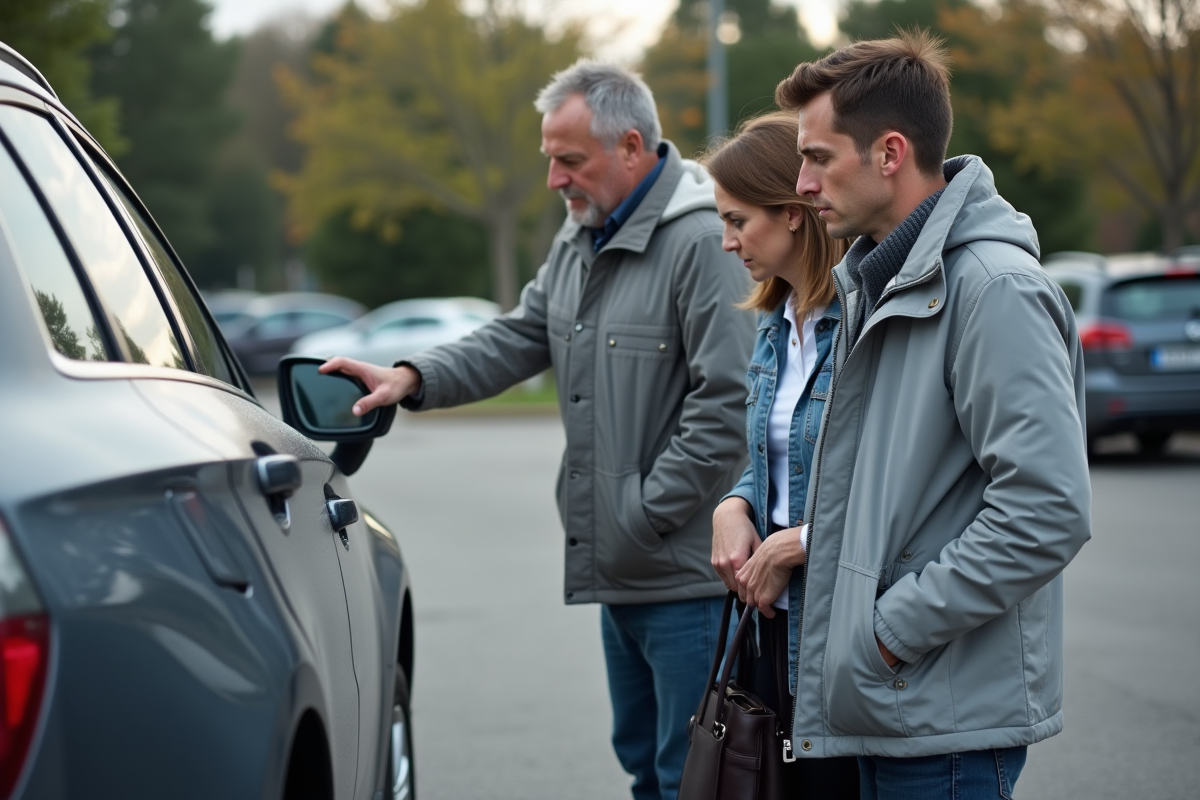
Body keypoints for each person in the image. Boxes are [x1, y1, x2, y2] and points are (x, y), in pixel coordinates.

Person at [320, 60, 754, 800]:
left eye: (569, 160)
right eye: (550, 158)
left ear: (630, 146)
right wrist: (411, 377)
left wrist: (644, 512)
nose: (555, 178)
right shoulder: (580, 235)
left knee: (695, 781)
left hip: (687, 582)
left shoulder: (703, 242)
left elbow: (728, 405)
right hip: (628, 572)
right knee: (647, 771)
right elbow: (523, 335)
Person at [754, 31, 1092, 799]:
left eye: (817, 157)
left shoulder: (992, 289)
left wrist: (887, 636)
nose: (802, 183)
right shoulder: (874, 281)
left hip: (940, 718)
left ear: (889, 153)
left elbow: (1047, 510)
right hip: (888, 703)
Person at [702, 111, 860, 798]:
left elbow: (891, 479)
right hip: (771, 626)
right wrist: (736, 503)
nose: (728, 242)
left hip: (844, 630)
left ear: (793, 212)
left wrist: (802, 542)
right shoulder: (775, 324)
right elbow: (777, 454)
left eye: (738, 221)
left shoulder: (860, 323)